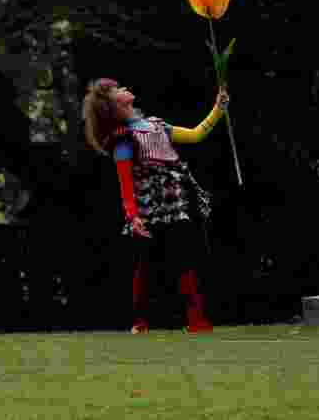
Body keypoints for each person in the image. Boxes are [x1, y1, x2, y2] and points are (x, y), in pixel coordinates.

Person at [82, 78, 229, 333]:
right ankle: (140, 321)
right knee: (146, 264)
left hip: (176, 200)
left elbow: (195, 135)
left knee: (186, 257)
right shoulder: (124, 138)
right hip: (148, 206)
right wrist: (132, 215)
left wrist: (218, 108)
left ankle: (196, 319)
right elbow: (125, 181)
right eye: (118, 90)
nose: (125, 89)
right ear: (113, 106)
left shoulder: (156, 125)